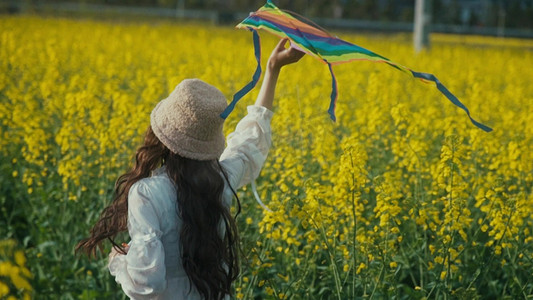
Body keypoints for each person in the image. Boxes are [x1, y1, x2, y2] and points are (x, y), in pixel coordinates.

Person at [76, 38, 304, 299]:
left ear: (164, 138)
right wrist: (273, 69)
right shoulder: (220, 181)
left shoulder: (146, 194)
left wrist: (121, 261)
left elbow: (147, 285)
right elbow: (249, 140)